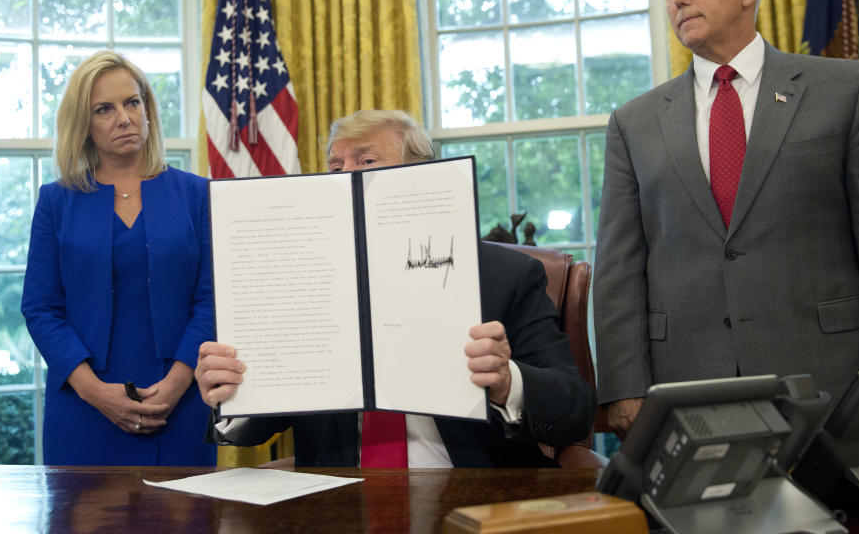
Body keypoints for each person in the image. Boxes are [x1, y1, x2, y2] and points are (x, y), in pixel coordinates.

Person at [593, 0, 859, 436]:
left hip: (830, 383)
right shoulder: (634, 122)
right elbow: (619, 269)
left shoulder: (846, 91)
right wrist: (623, 388)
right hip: (688, 388)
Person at [195, 109, 596, 467]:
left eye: (367, 161)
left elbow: (574, 409)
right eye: (335, 168)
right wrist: (233, 391)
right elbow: (257, 424)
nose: (346, 178)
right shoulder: (297, 279)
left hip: (474, 499)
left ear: (421, 177)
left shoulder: (508, 275)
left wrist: (507, 382)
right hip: (340, 503)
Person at [21, 50, 216, 465]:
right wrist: (94, 392)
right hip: (83, 408)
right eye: (104, 109)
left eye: (132, 102)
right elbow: (41, 308)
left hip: (179, 405)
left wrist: (179, 383)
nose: (124, 118)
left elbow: (213, 299)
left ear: (147, 108)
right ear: (84, 125)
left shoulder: (197, 194)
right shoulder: (56, 201)